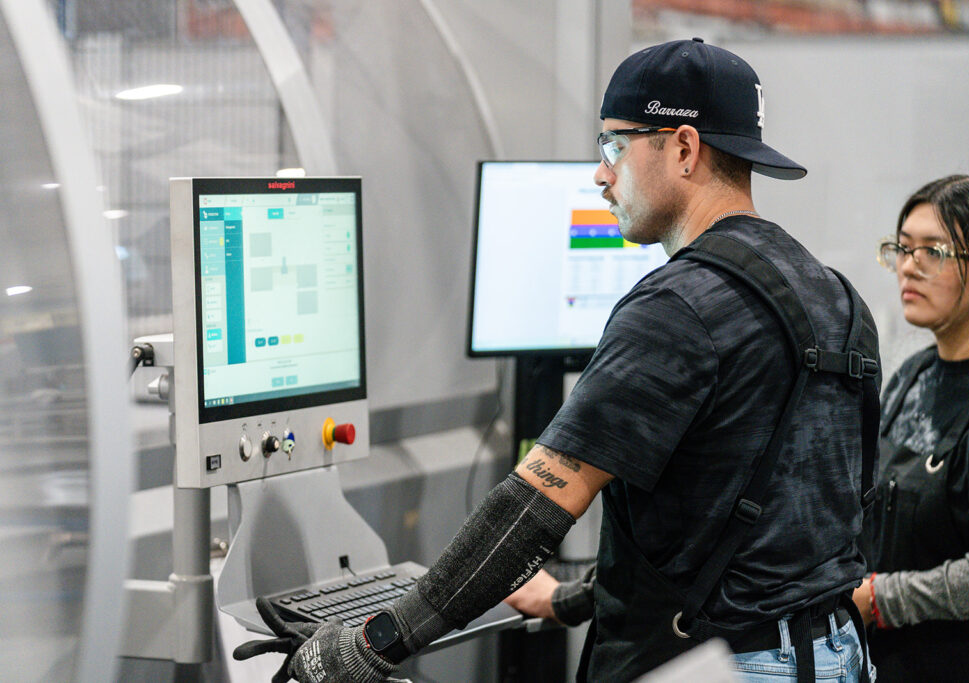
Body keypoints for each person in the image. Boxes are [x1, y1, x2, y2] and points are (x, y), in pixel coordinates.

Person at [234, 38, 878, 683]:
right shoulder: (838, 300)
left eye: (614, 146)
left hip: (720, 663)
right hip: (834, 655)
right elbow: (770, 523)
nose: (601, 174)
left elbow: (534, 506)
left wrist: (368, 647)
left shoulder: (678, 306)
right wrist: (568, 598)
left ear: (683, 148)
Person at [852, 172, 969, 682]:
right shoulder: (914, 373)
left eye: (934, 252)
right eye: (902, 248)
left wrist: (882, 598)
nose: (908, 267)